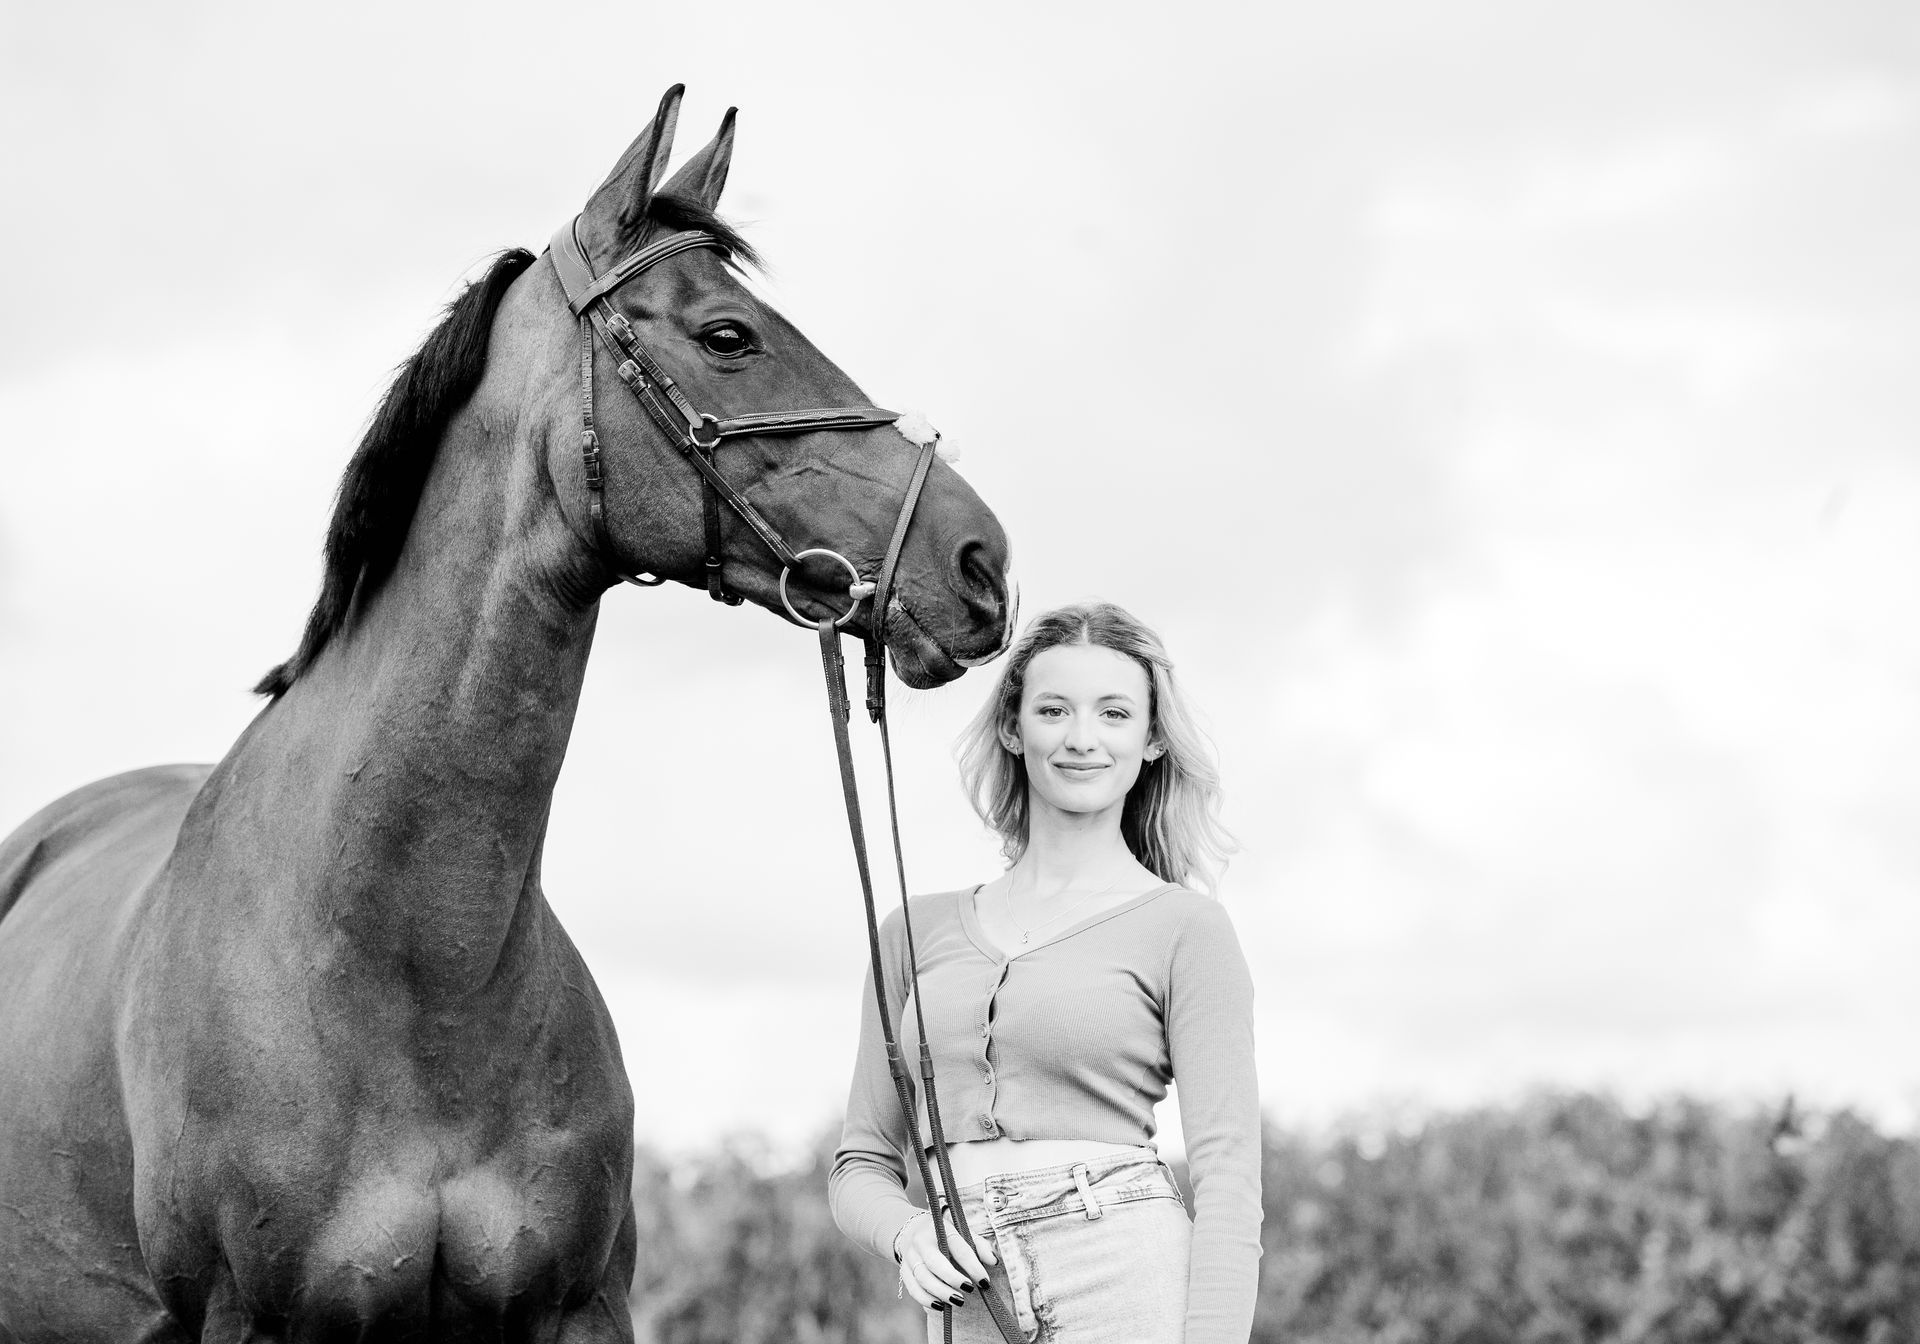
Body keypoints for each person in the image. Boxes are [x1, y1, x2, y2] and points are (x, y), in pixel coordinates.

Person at [828, 602, 1261, 1343]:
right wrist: (906, 1234)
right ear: (1012, 726)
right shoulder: (911, 932)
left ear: (1152, 739)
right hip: (967, 1289)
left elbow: (1227, 1178)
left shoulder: (1186, 930)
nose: (1082, 739)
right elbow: (860, 1162)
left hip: (1124, 1265)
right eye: (1054, 710)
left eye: (1115, 714)